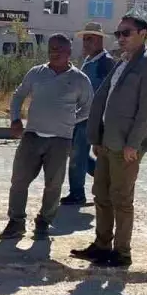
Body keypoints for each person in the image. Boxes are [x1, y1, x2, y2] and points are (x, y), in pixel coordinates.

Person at [71, 14, 147, 268]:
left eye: (127, 33)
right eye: (119, 33)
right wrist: (96, 137)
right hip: (106, 141)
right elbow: (105, 99)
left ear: (143, 34)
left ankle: (121, 252)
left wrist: (133, 144)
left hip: (126, 145)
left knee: (121, 199)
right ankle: (102, 246)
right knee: (101, 195)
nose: (121, 38)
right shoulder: (122, 61)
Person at [0, 34, 93, 241]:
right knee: (19, 181)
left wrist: (69, 120)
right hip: (32, 136)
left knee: (54, 184)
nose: (54, 51)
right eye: (51, 48)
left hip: (61, 140)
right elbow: (18, 95)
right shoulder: (36, 73)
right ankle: (16, 221)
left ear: (69, 52)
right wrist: (15, 119)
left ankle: (44, 222)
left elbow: (87, 108)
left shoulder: (79, 79)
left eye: (59, 48)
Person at [62, 21, 115, 205]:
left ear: (100, 40)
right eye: (85, 39)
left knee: (77, 154)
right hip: (80, 114)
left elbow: (107, 94)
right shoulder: (89, 60)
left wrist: (101, 123)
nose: (86, 43)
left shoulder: (106, 63)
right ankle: (105, 178)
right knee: (77, 153)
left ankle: (77, 194)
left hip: (91, 117)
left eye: (90, 39)